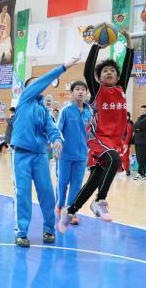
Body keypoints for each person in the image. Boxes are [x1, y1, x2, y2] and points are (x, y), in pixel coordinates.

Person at [62, 29, 134, 224]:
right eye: (105, 71)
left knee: (95, 178)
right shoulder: (97, 90)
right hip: (97, 137)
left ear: (118, 77)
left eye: (112, 70)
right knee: (114, 159)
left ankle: (70, 211)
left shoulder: (121, 89)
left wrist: (128, 40)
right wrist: (96, 46)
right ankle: (100, 200)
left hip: (114, 141)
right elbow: (87, 71)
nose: (109, 72)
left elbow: (128, 64)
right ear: (99, 78)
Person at [11, 57, 79, 247]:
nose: (40, 86)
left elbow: (51, 128)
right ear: (28, 88)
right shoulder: (24, 99)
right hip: (21, 154)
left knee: (47, 194)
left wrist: (57, 140)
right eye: (36, 83)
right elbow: (42, 81)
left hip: (40, 155)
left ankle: (49, 229)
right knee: (22, 194)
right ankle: (21, 232)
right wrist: (63, 66)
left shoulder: (43, 109)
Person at [54, 81, 92, 231]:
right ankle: (59, 205)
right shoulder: (66, 110)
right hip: (65, 155)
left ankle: (70, 211)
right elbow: (57, 130)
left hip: (82, 156)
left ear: (86, 93)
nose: (80, 92)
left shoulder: (90, 112)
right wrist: (57, 143)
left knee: (76, 185)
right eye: (77, 89)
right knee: (63, 183)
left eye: (83, 89)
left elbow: (93, 133)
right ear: (72, 92)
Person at [133, 105, 146, 180]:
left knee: (141, 158)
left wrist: (137, 128)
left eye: (144, 110)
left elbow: (136, 125)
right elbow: (134, 127)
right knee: (140, 158)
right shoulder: (141, 118)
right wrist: (136, 128)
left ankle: (141, 174)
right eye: (141, 110)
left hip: (143, 142)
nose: (142, 112)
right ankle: (141, 173)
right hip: (139, 141)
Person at [119, 112, 134, 177]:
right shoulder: (123, 123)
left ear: (129, 117)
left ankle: (127, 171)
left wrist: (126, 143)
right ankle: (124, 170)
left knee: (125, 157)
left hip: (125, 143)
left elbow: (129, 135)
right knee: (122, 157)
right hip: (122, 142)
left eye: (126, 116)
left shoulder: (129, 124)